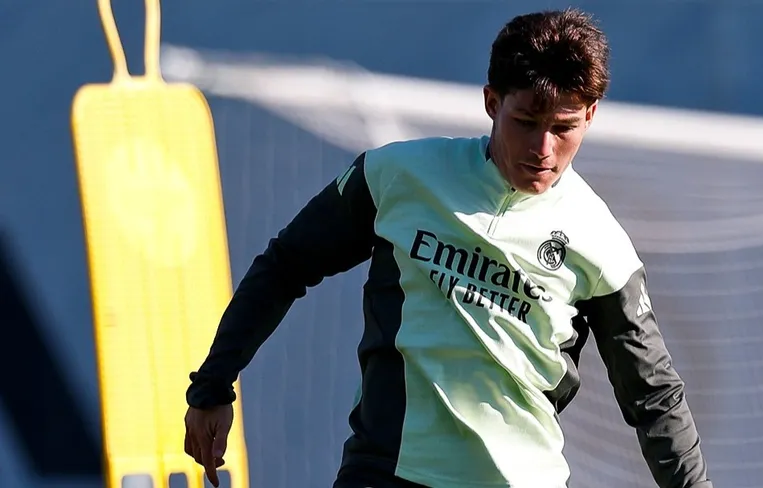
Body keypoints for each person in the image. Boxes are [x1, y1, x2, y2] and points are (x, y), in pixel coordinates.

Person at [183, 8, 713, 488]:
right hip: (384, 471)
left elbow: (653, 395)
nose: (543, 148)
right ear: (491, 102)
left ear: (591, 115)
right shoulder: (397, 175)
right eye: (526, 123)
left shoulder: (602, 244)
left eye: (563, 127)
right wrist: (212, 386)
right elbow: (285, 265)